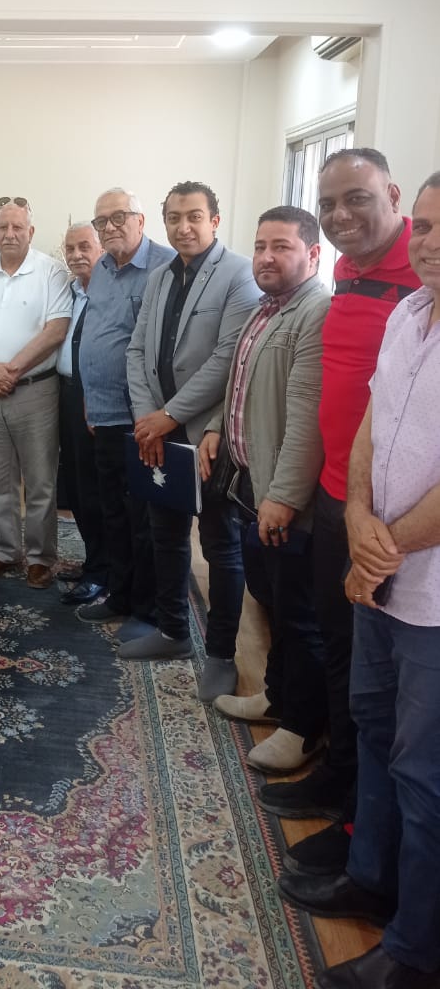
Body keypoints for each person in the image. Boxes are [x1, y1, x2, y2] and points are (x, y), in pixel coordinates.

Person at [277, 171, 440, 989]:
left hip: (429, 592)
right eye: (427, 227)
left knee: (425, 773)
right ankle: (368, 876)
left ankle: (415, 951)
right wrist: (358, 515)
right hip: (376, 560)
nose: (430, 243)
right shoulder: (410, 312)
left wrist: (382, 543)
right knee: (372, 725)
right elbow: (373, 418)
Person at [257, 149, 420, 878]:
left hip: (393, 520)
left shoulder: (422, 277)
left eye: (357, 198)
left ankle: (364, 823)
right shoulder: (351, 272)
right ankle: (338, 778)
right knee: (340, 649)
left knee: (381, 681)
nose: (340, 215)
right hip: (336, 493)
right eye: (327, 204)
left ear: (393, 194)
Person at [200, 207, 330, 771]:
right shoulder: (265, 308)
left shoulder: (316, 312)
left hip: (285, 497)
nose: (266, 257)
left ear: (313, 254)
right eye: (260, 246)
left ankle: (304, 727)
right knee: (271, 600)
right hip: (252, 487)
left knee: (298, 613)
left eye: (282, 246)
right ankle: (277, 697)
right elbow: (241, 387)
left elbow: (306, 419)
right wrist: (214, 427)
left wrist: (284, 498)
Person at [124, 180, 260, 700]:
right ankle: (173, 631)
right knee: (166, 534)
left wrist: (169, 416)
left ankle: (221, 653)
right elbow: (138, 351)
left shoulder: (239, 274)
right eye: (174, 218)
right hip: (158, 430)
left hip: (210, 432)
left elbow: (229, 358)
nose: (184, 227)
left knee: (221, 545)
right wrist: (147, 419)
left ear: (214, 221)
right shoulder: (160, 276)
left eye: (194, 217)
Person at [0, 197, 72, 589]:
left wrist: (11, 372)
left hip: (35, 392)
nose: (10, 234)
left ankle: (40, 557)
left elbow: (56, 329)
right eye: (3, 227)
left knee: (40, 481)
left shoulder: (51, 272)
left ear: (30, 231)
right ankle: (6, 550)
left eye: (17, 227)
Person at [75, 188, 175, 631]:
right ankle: (119, 594)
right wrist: (89, 398)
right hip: (102, 412)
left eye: (119, 217)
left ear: (141, 220)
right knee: (112, 511)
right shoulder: (100, 268)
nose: (110, 227)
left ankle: (147, 610)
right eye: (102, 221)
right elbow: (97, 334)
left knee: (145, 519)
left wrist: (155, 415)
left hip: (143, 418)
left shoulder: (166, 267)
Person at [57, 222, 109, 602]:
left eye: (84, 247)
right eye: (70, 248)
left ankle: (103, 573)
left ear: (101, 248)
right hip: (68, 395)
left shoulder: (110, 290)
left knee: (95, 490)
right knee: (74, 486)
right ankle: (93, 561)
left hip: (98, 398)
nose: (76, 255)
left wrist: (94, 394)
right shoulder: (72, 290)